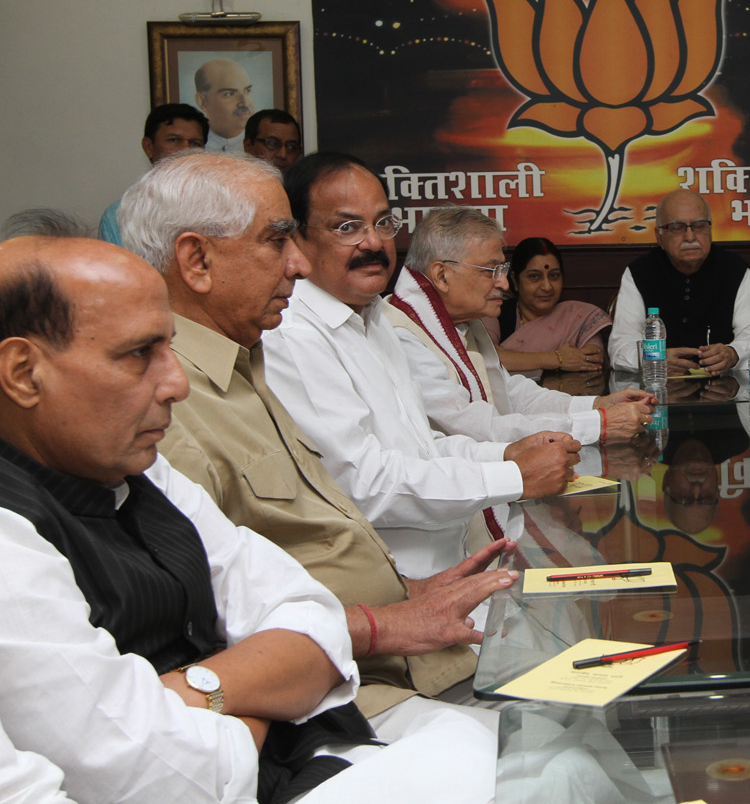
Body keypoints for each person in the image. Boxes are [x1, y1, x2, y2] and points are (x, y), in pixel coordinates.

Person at [0, 235, 494, 803]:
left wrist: (198, 691)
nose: (176, 383)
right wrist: (259, 695)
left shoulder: (141, 470)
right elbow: (152, 773)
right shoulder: (13, 528)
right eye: (139, 354)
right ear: (22, 372)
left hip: (306, 753)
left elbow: (311, 615)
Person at [119, 153, 516, 744]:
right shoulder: (170, 403)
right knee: (554, 760)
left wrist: (408, 596)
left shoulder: (247, 359)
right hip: (347, 692)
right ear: (196, 260)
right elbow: (213, 633)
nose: (299, 265)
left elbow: (285, 553)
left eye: (383, 223)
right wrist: (383, 622)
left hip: (395, 645)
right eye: (280, 240)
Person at [262, 153, 579, 581]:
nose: (373, 243)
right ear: (297, 239)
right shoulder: (293, 334)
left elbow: (419, 446)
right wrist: (512, 474)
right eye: (347, 227)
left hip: (449, 569)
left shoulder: (372, 317)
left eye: (382, 224)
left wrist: (506, 453)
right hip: (394, 589)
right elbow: (367, 485)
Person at [384, 207, 653, 445]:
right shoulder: (405, 334)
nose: (503, 283)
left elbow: (509, 392)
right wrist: (597, 423)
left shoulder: (459, 322)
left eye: (503, 270)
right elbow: (478, 429)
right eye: (491, 271)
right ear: (442, 275)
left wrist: (596, 405)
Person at [608, 188, 750, 375]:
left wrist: (733, 353)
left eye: (699, 226)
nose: (690, 237)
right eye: (677, 228)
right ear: (659, 236)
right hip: (656, 393)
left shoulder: (734, 269)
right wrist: (655, 359)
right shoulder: (639, 272)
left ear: (710, 230)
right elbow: (620, 348)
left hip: (725, 392)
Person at [487, 236, 613, 378]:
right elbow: (487, 359)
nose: (547, 287)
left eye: (554, 276)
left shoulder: (579, 318)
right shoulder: (496, 313)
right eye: (534, 277)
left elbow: (592, 359)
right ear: (515, 280)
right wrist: (557, 358)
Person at [96, 103, 209, 244]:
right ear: (149, 147)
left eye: (195, 143)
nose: (186, 150)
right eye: (174, 140)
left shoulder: (220, 208)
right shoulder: (119, 216)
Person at [194, 58, 253, 153]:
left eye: (247, 91)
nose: (245, 103)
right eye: (229, 94)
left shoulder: (259, 150)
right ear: (202, 101)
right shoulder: (191, 150)